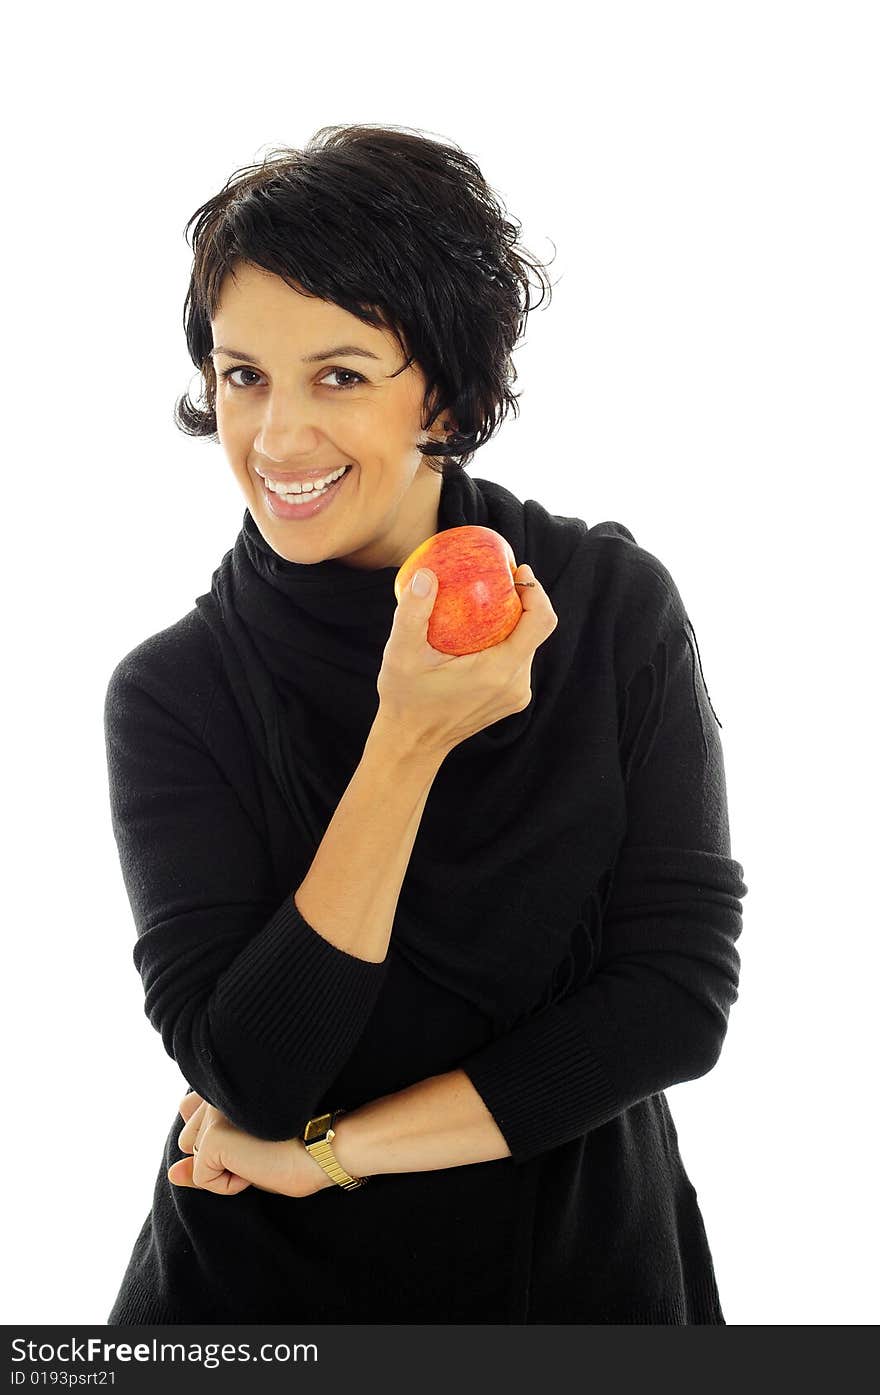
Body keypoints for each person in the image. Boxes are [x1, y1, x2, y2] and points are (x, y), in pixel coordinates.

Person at [103, 123, 747, 1325]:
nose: (277, 439)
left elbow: (673, 1000)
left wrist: (332, 1152)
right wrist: (407, 743)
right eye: (244, 376)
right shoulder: (175, 693)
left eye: (339, 376)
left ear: (442, 390)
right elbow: (250, 1073)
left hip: (582, 1279)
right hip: (258, 1306)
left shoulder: (608, 608)